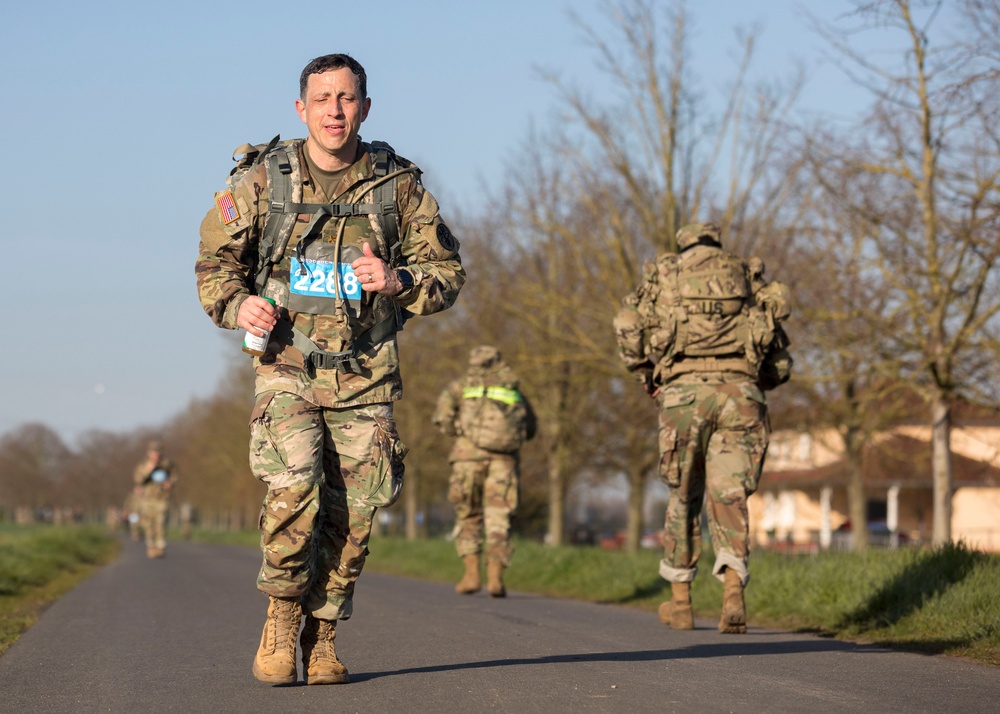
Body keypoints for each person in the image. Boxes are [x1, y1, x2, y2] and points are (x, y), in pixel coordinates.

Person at [195, 53, 465, 686]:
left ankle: (323, 636)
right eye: (323, 99)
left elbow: (449, 275)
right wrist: (241, 305)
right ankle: (283, 616)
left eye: (347, 99)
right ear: (302, 108)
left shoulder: (398, 187)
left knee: (355, 515)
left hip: (366, 372)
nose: (335, 111)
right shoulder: (264, 180)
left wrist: (401, 279)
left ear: (365, 108)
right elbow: (214, 265)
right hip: (287, 366)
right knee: (294, 490)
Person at [613, 222, 791, 634]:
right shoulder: (746, 274)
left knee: (683, 495)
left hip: (684, 397)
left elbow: (626, 323)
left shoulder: (666, 273)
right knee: (729, 496)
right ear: (717, 241)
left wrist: (646, 374)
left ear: (685, 242)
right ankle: (733, 594)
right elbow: (779, 352)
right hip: (741, 395)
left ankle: (681, 603)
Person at [432, 346, 536, 597]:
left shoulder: (460, 386)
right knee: (499, 519)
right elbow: (530, 428)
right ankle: (496, 578)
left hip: (467, 458)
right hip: (504, 461)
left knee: (469, 515)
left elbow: (442, 418)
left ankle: (471, 576)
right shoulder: (513, 388)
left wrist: (461, 433)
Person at [132, 440, 176, 559]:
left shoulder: (167, 464)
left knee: (160, 522)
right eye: (154, 452)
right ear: (148, 453)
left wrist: (170, 483)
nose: (156, 455)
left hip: (161, 498)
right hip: (147, 499)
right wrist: (148, 470)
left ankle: (160, 547)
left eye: (158, 452)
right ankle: (151, 547)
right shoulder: (143, 465)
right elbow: (138, 480)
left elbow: (174, 476)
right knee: (148, 524)